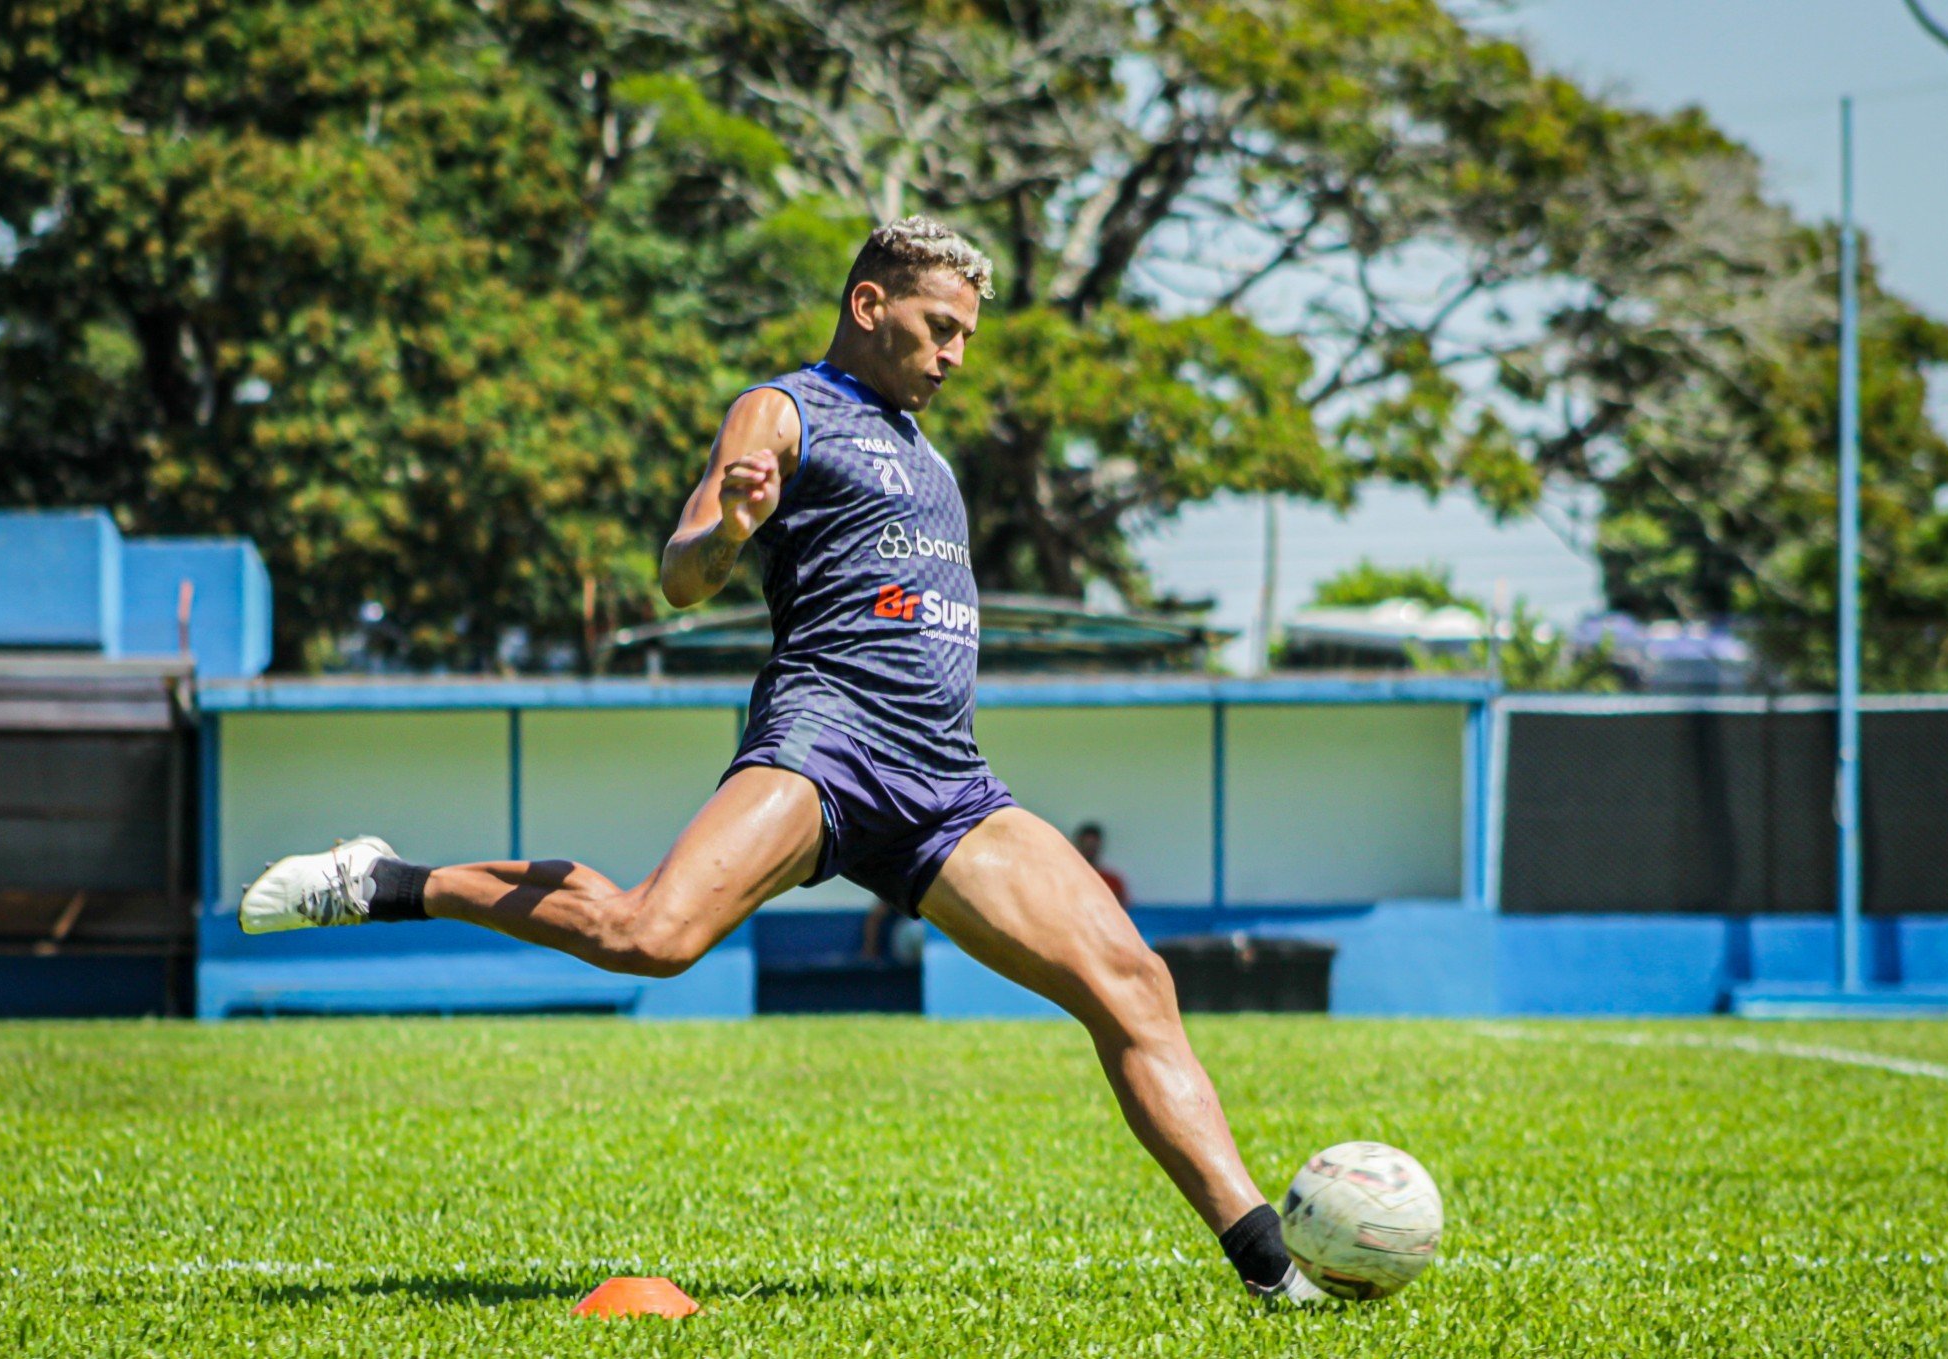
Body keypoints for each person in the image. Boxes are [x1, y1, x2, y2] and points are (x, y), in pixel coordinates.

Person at [238, 216, 1322, 1306]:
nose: (953, 356)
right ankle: (387, 882)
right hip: (832, 741)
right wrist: (732, 526)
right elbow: (681, 573)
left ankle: (1277, 1278)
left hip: (946, 782)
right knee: (650, 937)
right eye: (939, 328)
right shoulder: (784, 409)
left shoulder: (923, 446)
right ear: (868, 306)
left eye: (966, 338)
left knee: (1133, 984)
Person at [1073, 822, 1130, 908]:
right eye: (1086, 844)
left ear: (1099, 845)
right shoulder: (1066, 877)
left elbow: (1121, 911)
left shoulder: (1113, 881)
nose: (1090, 848)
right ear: (1079, 844)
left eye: (1093, 844)